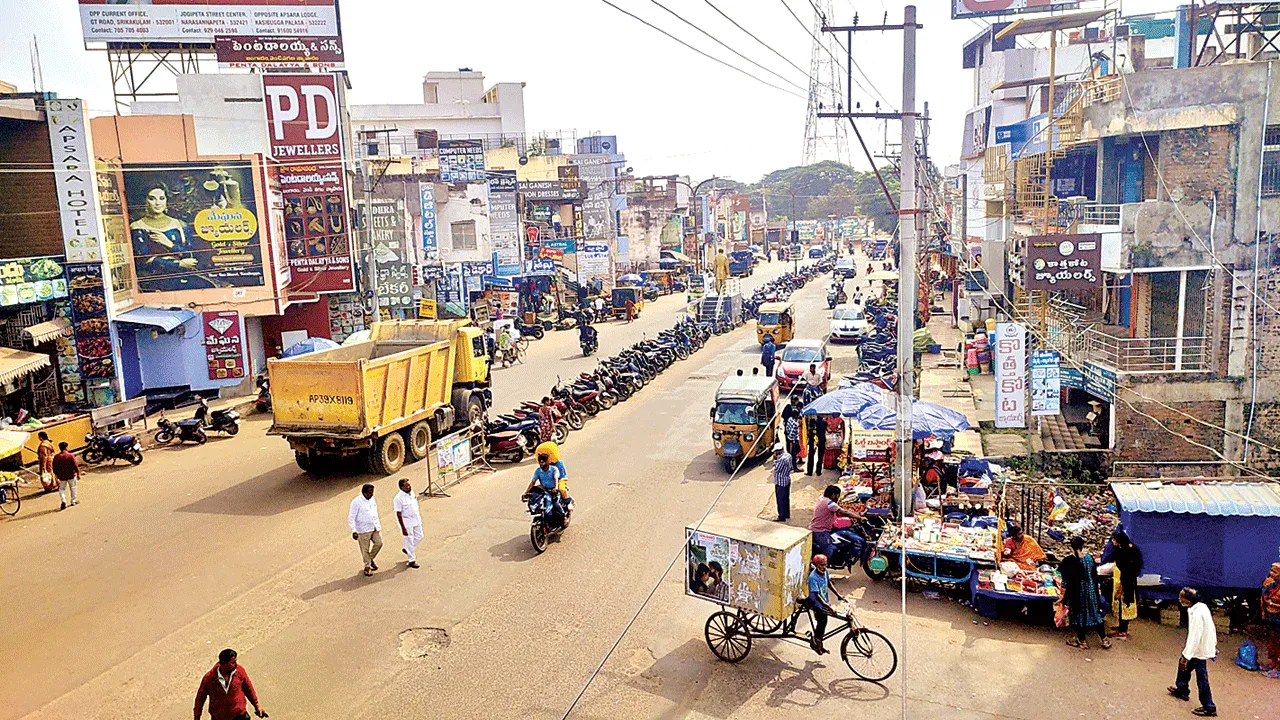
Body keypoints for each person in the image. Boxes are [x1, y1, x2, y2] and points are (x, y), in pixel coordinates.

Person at [1168, 587, 1218, 716]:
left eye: (1181, 598)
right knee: (1184, 668)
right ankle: (1182, 689)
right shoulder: (1201, 606)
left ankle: (1209, 706)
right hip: (1202, 647)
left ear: (1188, 601)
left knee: (1201, 678)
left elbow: (1194, 637)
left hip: (1199, 650)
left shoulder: (1196, 614)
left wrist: (1186, 655)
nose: (1179, 600)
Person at [1059, 536, 1110, 650]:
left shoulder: (1069, 560)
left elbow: (1065, 581)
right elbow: (1094, 575)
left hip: (1078, 592)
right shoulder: (1089, 558)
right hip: (1091, 590)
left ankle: (1082, 641)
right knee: (1095, 614)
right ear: (1082, 546)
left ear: (1071, 546)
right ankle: (1104, 640)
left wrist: (1062, 596)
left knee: (1078, 616)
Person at [194, 648, 267, 720]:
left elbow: (248, 689)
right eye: (232, 663)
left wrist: (257, 705)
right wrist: (197, 717)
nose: (236, 665)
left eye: (235, 661)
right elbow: (200, 699)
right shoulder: (209, 678)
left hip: (239, 716)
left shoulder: (240, 671)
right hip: (218, 718)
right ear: (222, 663)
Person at [1106, 529, 1143, 639]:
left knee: (1125, 605)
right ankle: (1121, 627)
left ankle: (1122, 632)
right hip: (1124, 581)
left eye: (1114, 540)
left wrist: (1119, 590)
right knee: (1122, 606)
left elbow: (1126, 574)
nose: (1112, 542)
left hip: (1126, 584)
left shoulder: (1126, 554)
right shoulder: (1125, 549)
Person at [807, 554, 846, 654]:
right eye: (821, 565)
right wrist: (827, 606)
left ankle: (819, 642)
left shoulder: (825, 572)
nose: (824, 567)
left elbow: (829, 583)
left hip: (824, 602)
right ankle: (817, 643)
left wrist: (838, 595)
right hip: (817, 604)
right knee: (822, 623)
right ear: (816, 565)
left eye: (825, 565)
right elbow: (817, 595)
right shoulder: (813, 578)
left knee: (823, 624)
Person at [810, 485, 859, 560]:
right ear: (833, 495)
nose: (838, 497)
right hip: (821, 531)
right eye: (837, 495)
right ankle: (824, 567)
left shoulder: (822, 498)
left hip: (814, 528)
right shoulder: (830, 504)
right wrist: (859, 517)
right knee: (828, 553)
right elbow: (845, 512)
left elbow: (838, 513)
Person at [348, 483, 382, 577]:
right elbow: (351, 517)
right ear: (364, 492)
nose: (371, 494)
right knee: (365, 549)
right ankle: (367, 567)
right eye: (369, 492)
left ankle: (370, 559)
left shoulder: (372, 499)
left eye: (372, 492)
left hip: (374, 527)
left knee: (379, 543)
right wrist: (354, 530)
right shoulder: (356, 502)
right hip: (363, 530)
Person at [524, 453, 568, 523]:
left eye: (543, 462)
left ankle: (564, 517)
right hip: (544, 491)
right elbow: (532, 482)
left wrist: (555, 488)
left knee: (556, 503)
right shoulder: (538, 471)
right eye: (540, 462)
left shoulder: (554, 469)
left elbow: (556, 479)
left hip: (554, 491)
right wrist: (526, 493)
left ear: (547, 462)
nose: (541, 464)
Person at [393, 478, 422, 569]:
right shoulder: (398, 499)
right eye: (407, 486)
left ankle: (408, 549)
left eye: (409, 485)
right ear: (401, 488)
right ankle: (411, 560)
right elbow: (398, 514)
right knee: (409, 540)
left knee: (420, 536)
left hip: (416, 520)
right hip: (407, 523)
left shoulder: (411, 493)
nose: (409, 487)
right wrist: (403, 528)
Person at [1260, 562, 1280, 673]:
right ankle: (1272, 663)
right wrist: (1264, 611)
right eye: (1271, 570)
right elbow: (1263, 598)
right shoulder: (1270, 584)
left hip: (1278, 618)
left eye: (1275, 572)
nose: (1271, 573)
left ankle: (1277, 668)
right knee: (1272, 641)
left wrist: (1272, 604)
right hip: (1271, 617)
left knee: (1278, 642)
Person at [52, 441, 80, 511]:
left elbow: (54, 467)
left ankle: (63, 500)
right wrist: (78, 473)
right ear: (66, 447)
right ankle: (73, 501)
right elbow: (75, 465)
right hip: (71, 474)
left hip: (62, 476)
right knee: (73, 487)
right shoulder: (70, 456)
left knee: (62, 489)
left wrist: (56, 475)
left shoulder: (56, 457)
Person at [771, 442, 793, 522]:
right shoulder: (788, 456)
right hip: (787, 479)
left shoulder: (781, 459)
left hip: (780, 482)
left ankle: (781, 516)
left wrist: (775, 460)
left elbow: (776, 469)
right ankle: (787, 514)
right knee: (786, 499)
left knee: (780, 500)